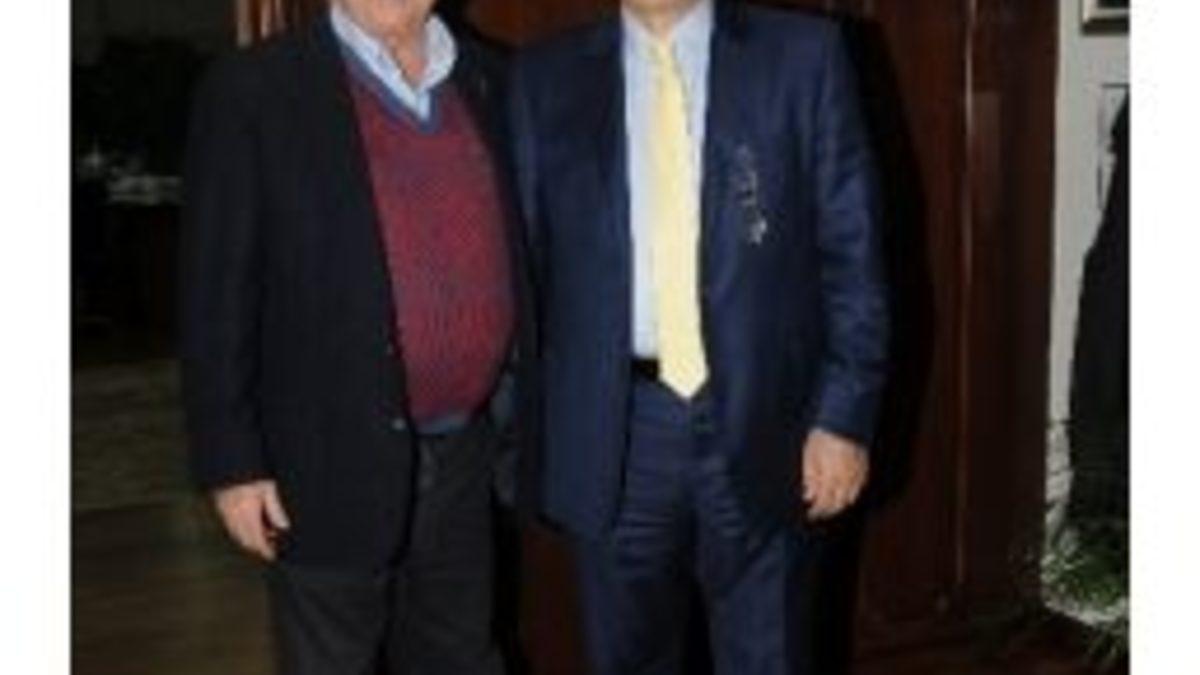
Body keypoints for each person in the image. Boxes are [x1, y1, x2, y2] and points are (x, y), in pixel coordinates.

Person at [509, 0, 889, 672]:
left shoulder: (802, 57)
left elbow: (853, 253)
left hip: (773, 426)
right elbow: (526, 269)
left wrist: (843, 418)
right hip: (616, 438)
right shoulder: (544, 78)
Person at [180, 0, 532, 672]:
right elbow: (213, 293)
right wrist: (231, 464)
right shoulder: (252, 90)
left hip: (465, 453)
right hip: (321, 463)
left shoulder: (496, 80)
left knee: (460, 656)